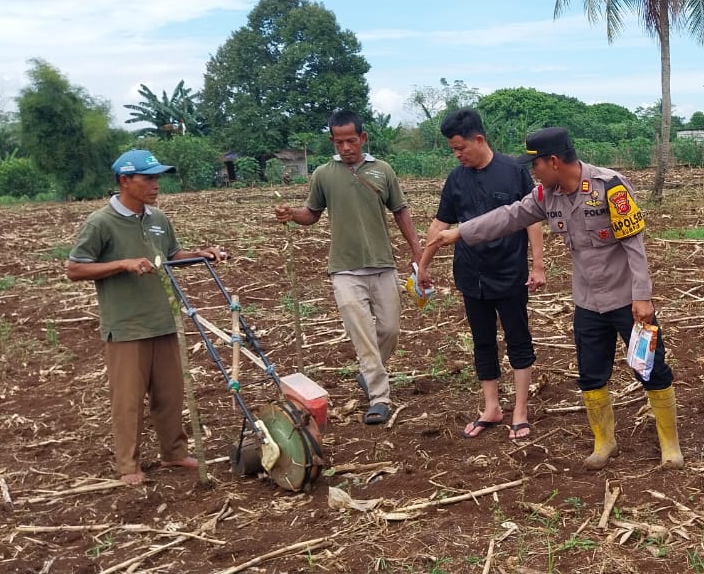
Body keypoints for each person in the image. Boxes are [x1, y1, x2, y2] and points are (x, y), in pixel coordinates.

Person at [422, 127, 682, 469]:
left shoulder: (610, 187)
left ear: (554, 162)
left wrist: (642, 296)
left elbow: (634, 245)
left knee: (650, 368)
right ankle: (605, 442)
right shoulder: (547, 195)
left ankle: (670, 445)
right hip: (588, 300)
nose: (533, 173)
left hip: (627, 297)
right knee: (591, 374)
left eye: (536, 165)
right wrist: (459, 233)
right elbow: (509, 216)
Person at [65, 149, 229, 485]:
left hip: (163, 319)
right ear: (125, 180)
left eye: (157, 178)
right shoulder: (101, 222)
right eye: (148, 178)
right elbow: (75, 268)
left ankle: (174, 452)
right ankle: (128, 465)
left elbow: (171, 255)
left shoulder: (158, 219)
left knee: (170, 393)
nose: (156, 185)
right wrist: (122, 264)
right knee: (128, 400)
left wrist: (200, 255)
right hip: (127, 326)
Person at [275, 109, 422, 425]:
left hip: (382, 264)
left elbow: (400, 210)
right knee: (363, 334)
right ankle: (379, 397)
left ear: (363, 138)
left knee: (390, 330)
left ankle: (368, 374)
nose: (345, 148)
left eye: (351, 141)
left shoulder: (382, 170)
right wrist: (293, 214)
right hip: (344, 269)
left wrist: (417, 249)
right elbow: (312, 213)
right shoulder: (324, 174)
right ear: (332, 140)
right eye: (339, 142)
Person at [417, 108, 546, 440]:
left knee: (518, 339)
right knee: (482, 341)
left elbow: (531, 218)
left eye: (461, 148)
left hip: (509, 271)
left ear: (478, 139)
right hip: (471, 274)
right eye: (453, 150)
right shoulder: (456, 179)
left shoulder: (513, 172)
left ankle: (520, 411)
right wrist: (423, 264)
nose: (457, 155)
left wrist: (538, 265)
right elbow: (440, 223)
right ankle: (492, 407)